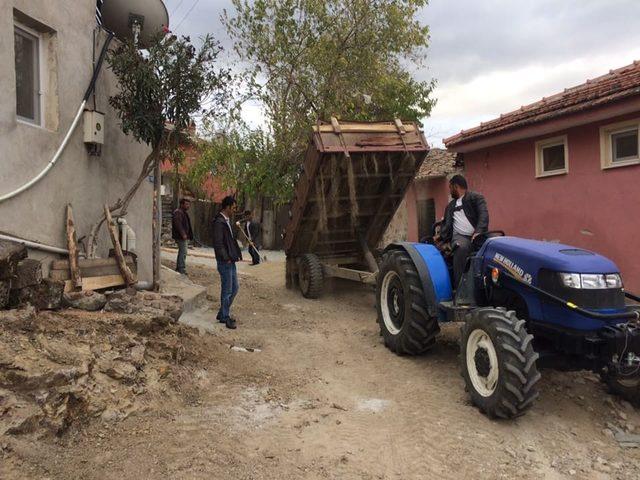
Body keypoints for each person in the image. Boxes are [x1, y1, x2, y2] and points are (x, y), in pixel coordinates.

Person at [438, 175, 489, 287]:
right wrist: (439, 237)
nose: (450, 191)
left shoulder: (476, 198)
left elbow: (483, 215)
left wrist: (479, 231)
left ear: (456, 186)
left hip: (479, 235)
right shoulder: (450, 207)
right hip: (460, 237)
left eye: (450, 187)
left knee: (496, 245)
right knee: (461, 247)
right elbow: (446, 226)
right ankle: (462, 289)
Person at [213, 196, 243, 329]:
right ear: (227, 207)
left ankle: (222, 313)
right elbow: (218, 244)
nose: (234, 210)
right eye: (233, 207)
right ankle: (225, 317)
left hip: (230, 261)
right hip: (225, 262)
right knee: (227, 290)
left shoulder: (226, 221)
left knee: (234, 288)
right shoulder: (219, 222)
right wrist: (226, 258)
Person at [172, 198, 194, 275]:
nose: (188, 206)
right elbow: (178, 225)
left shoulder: (183, 212)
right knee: (183, 252)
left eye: (189, 204)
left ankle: (180, 268)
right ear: (182, 204)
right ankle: (181, 269)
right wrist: (183, 234)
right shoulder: (178, 212)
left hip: (183, 236)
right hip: (180, 236)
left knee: (183, 252)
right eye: (186, 204)